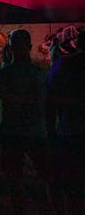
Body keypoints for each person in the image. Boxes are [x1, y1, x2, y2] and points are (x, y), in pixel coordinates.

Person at [0, 28, 54, 213]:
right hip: (37, 132)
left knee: (14, 179)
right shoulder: (40, 75)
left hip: (12, 132)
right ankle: (55, 208)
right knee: (48, 176)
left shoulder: (3, 75)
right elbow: (49, 105)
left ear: (10, 47)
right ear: (30, 46)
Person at [46, 29, 84, 214]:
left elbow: (50, 98)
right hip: (70, 128)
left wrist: (51, 130)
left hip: (71, 129)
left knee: (72, 184)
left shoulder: (64, 64)